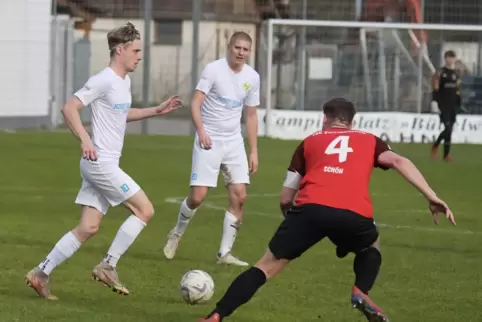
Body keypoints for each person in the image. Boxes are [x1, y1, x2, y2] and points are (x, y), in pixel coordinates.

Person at [198, 98, 456, 322]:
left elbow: (286, 197)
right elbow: (399, 161)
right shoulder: (369, 140)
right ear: (351, 122)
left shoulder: (309, 142)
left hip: (309, 211)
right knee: (371, 245)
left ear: (325, 119)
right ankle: (360, 291)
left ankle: (216, 315)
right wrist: (431, 196)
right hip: (354, 213)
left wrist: (292, 221)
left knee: (264, 267)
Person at [25, 22, 182, 300]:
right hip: (101, 163)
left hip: (102, 164)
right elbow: (69, 106)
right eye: (135, 50)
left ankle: (41, 273)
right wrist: (85, 140)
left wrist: (155, 111)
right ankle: (108, 264)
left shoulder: (124, 82)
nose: (139, 55)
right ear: (120, 50)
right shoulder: (103, 79)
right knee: (144, 210)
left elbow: (121, 114)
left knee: (88, 227)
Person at [163, 31, 260, 266]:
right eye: (237, 48)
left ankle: (224, 253)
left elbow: (251, 114)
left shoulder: (253, 77)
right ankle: (176, 232)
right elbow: (196, 102)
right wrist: (202, 131)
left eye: (245, 49)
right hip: (209, 139)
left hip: (234, 141)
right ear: (229, 47)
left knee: (240, 197)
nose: (241, 52)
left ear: (250, 52)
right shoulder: (213, 70)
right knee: (197, 197)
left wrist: (254, 150)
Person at [430, 50, 461, 161]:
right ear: (445, 58)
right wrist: (434, 101)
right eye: (449, 57)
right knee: (447, 128)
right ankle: (435, 145)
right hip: (443, 105)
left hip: (453, 106)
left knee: (450, 130)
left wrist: (459, 103)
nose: (451, 59)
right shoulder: (440, 72)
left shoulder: (456, 73)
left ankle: (446, 155)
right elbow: (436, 88)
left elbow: (457, 90)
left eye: (453, 57)